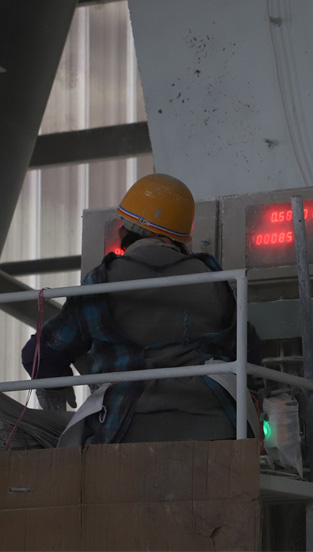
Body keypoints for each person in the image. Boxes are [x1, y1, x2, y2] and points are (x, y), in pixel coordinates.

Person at [22, 173, 254, 445]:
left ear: (125, 232)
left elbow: (40, 353)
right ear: (180, 236)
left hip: (127, 428)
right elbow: (248, 347)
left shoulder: (102, 281)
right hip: (217, 428)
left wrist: (54, 388)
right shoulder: (212, 278)